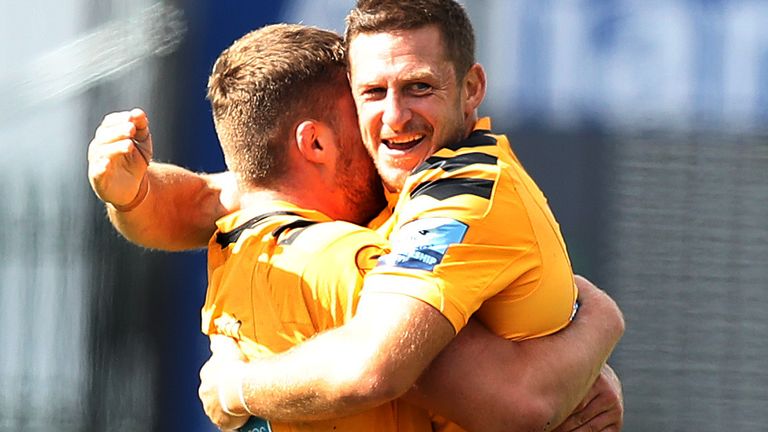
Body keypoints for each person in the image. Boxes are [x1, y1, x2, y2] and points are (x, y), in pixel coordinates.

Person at [87, 4, 624, 432]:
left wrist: (237, 388)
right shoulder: (331, 237)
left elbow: (391, 371)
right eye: (370, 94)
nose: (391, 120)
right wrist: (131, 192)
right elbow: (200, 197)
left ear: (471, 89)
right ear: (313, 142)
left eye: (419, 86)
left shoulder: (444, 202)